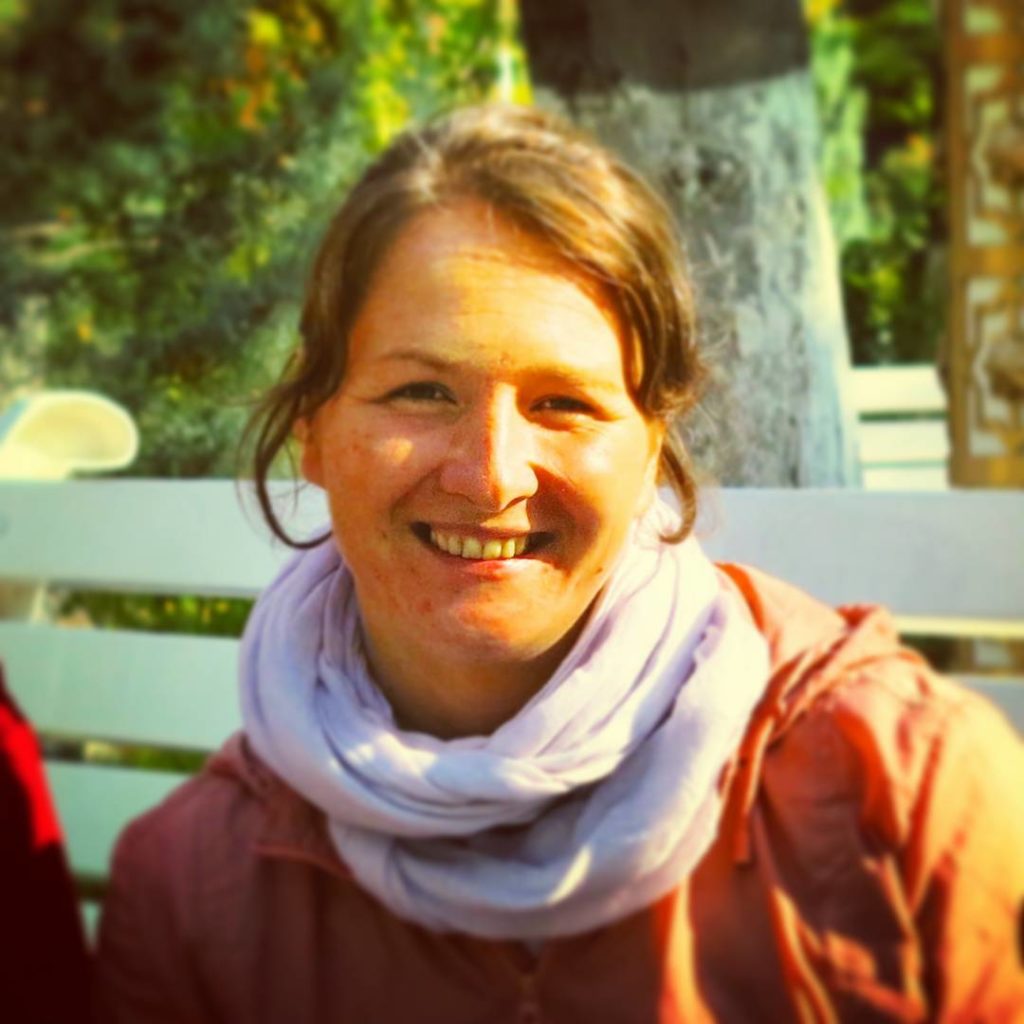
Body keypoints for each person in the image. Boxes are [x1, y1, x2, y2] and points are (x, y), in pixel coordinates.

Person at [95, 104, 1024, 1023]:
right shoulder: (193, 892)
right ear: (314, 427)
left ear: (652, 443)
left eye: (564, 403)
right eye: (421, 391)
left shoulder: (902, 795)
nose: (490, 476)